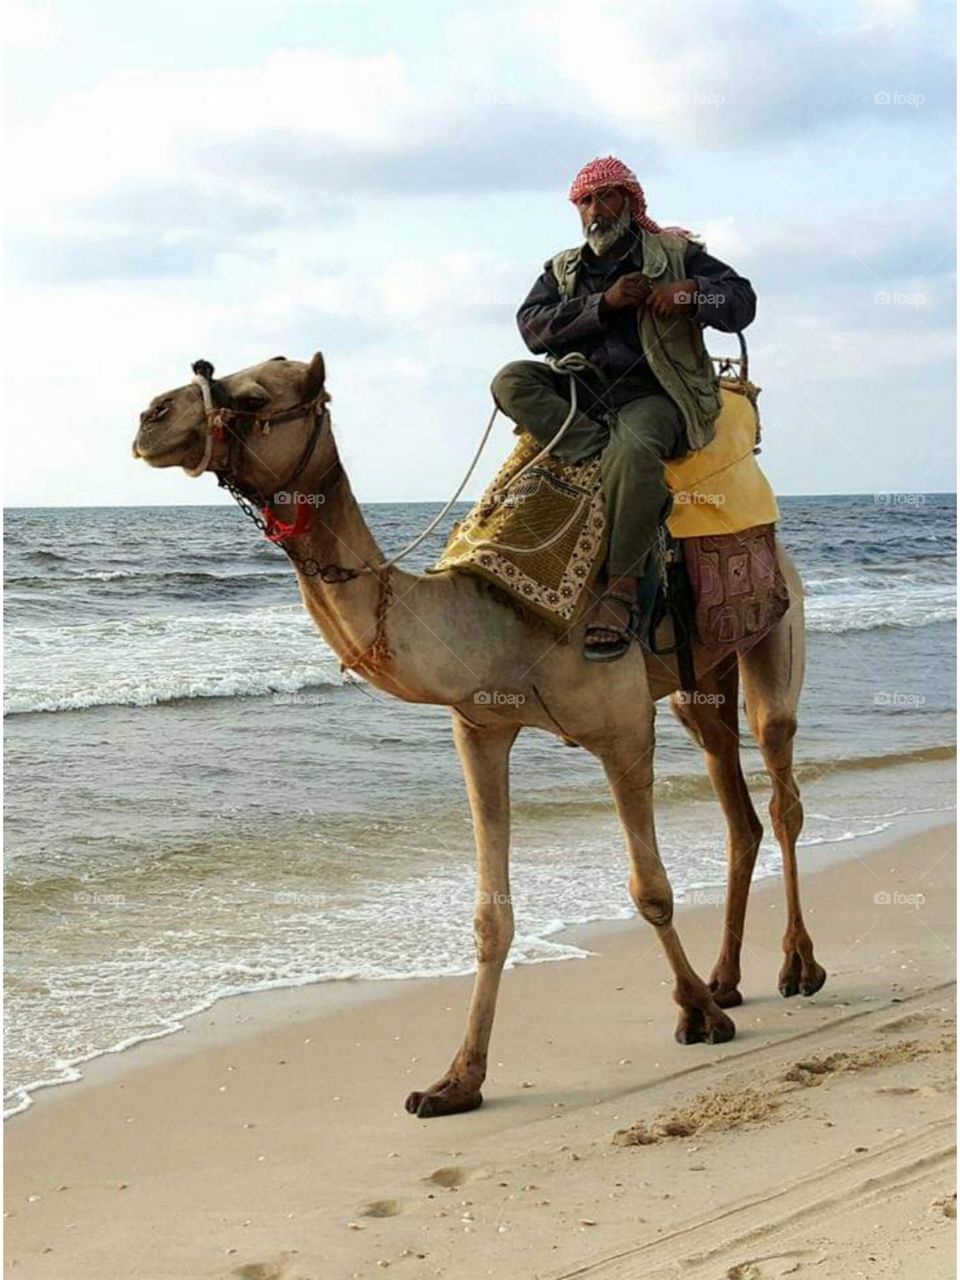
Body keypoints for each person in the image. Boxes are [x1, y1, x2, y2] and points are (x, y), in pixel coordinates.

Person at [491, 156, 756, 661]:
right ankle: (599, 458)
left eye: (606, 197)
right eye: (585, 201)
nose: (596, 209)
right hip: (583, 392)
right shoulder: (564, 267)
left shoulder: (677, 254)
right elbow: (530, 329)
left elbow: (742, 302)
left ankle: (621, 591)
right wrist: (603, 305)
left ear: (630, 203)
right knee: (510, 381)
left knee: (634, 448)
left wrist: (691, 293)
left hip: (658, 394)